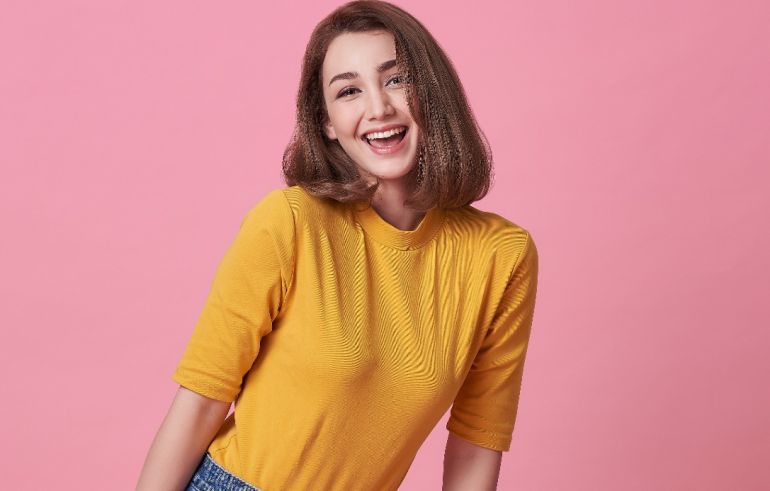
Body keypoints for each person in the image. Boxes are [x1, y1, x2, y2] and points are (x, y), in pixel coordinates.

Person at [136, 1, 539, 490]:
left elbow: (477, 443)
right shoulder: (288, 222)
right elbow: (202, 398)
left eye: (396, 79)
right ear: (326, 122)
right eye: (349, 91)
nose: (379, 107)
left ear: (432, 92)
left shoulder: (501, 255)